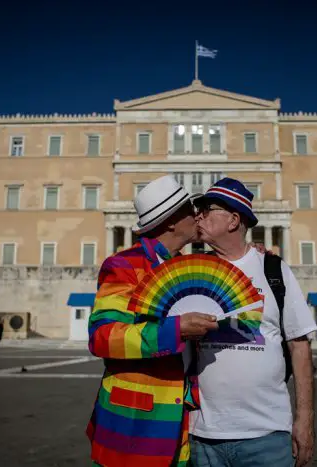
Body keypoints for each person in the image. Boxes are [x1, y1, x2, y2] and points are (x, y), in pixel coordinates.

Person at [85, 175, 221, 467]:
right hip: (133, 423)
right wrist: (177, 329)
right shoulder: (124, 266)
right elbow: (103, 337)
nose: (197, 216)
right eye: (189, 210)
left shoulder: (184, 268)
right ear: (172, 221)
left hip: (180, 423)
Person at [189, 178, 317, 467]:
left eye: (207, 209)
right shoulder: (190, 271)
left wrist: (305, 420)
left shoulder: (274, 269)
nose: (198, 216)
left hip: (267, 434)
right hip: (203, 435)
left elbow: (299, 345)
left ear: (234, 220)